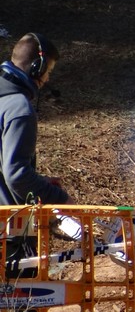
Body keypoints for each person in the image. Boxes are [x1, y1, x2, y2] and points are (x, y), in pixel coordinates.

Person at [0, 33, 72, 206]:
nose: (47, 78)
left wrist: (39, 181)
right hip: (7, 225)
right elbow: (16, 175)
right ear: (37, 68)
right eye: (49, 71)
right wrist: (60, 198)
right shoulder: (19, 109)